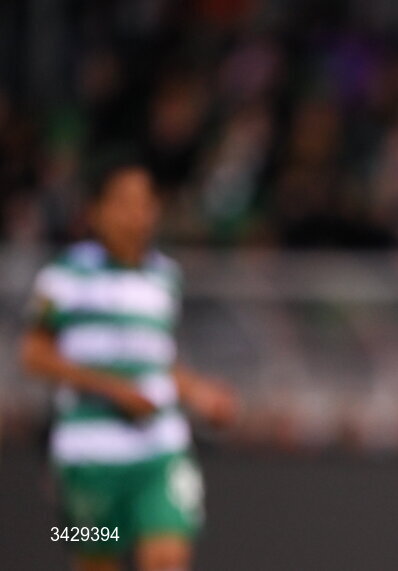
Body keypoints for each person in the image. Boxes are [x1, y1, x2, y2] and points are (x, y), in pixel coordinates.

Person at [21, 162, 238, 571]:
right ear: (97, 211)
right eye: (123, 204)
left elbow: (157, 360)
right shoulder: (63, 276)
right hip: (87, 457)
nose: (135, 216)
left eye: (144, 204)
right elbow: (33, 355)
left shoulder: (165, 276)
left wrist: (199, 392)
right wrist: (113, 388)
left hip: (159, 449)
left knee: (168, 554)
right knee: (92, 557)